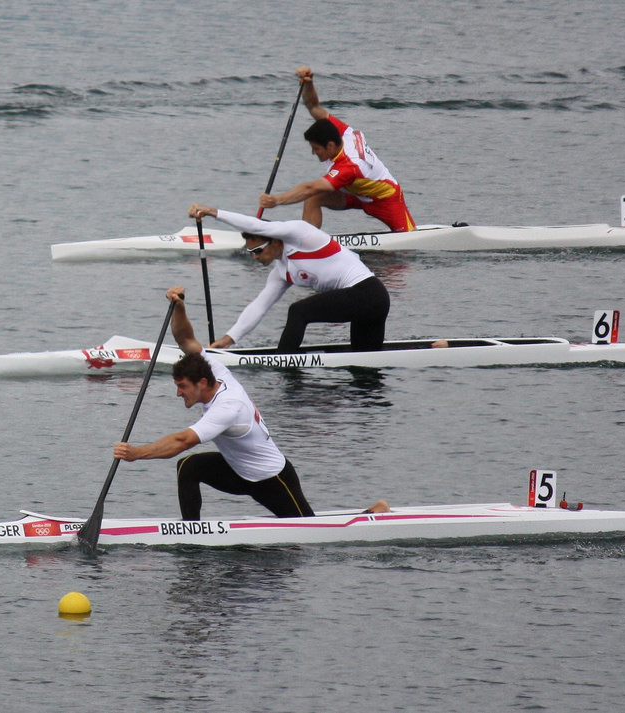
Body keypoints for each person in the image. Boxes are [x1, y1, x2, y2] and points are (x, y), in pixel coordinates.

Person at [113, 287, 314, 521]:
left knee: (309, 529)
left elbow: (183, 441)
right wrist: (179, 307)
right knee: (189, 467)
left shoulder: (228, 407)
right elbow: (185, 338)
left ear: (202, 383)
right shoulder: (214, 370)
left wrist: (137, 453)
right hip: (238, 470)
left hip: (270, 479)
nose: (178, 393)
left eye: (183, 387)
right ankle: (192, 530)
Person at [188, 203, 390, 353]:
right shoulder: (281, 273)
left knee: (298, 311)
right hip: (365, 304)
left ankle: (283, 362)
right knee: (365, 367)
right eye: (251, 253)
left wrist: (214, 213)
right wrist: (230, 338)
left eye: (258, 250)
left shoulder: (300, 234)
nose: (255, 257)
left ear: (275, 241)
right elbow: (260, 305)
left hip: (369, 293)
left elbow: (258, 227)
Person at [259, 66, 416, 233]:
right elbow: (313, 106)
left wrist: (276, 201)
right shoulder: (343, 132)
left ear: (330, 145)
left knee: (408, 244)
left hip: (385, 199)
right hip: (355, 194)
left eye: (316, 148)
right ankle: (308, 245)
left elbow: (310, 187)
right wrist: (308, 83)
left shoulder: (349, 166)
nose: (313, 153)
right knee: (313, 198)